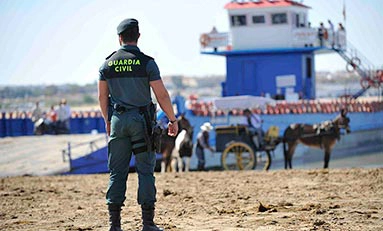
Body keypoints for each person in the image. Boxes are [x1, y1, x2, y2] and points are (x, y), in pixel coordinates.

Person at [98, 18, 178, 231]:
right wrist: (172, 119)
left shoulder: (107, 64)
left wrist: (107, 120)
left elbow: (102, 97)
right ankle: (148, 224)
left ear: (120, 38)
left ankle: (114, 225)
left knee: (117, 172)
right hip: (141, 124)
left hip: (118, 122)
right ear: (138, 36)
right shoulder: (147, 62)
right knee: (144, 171)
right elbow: (161, 94)